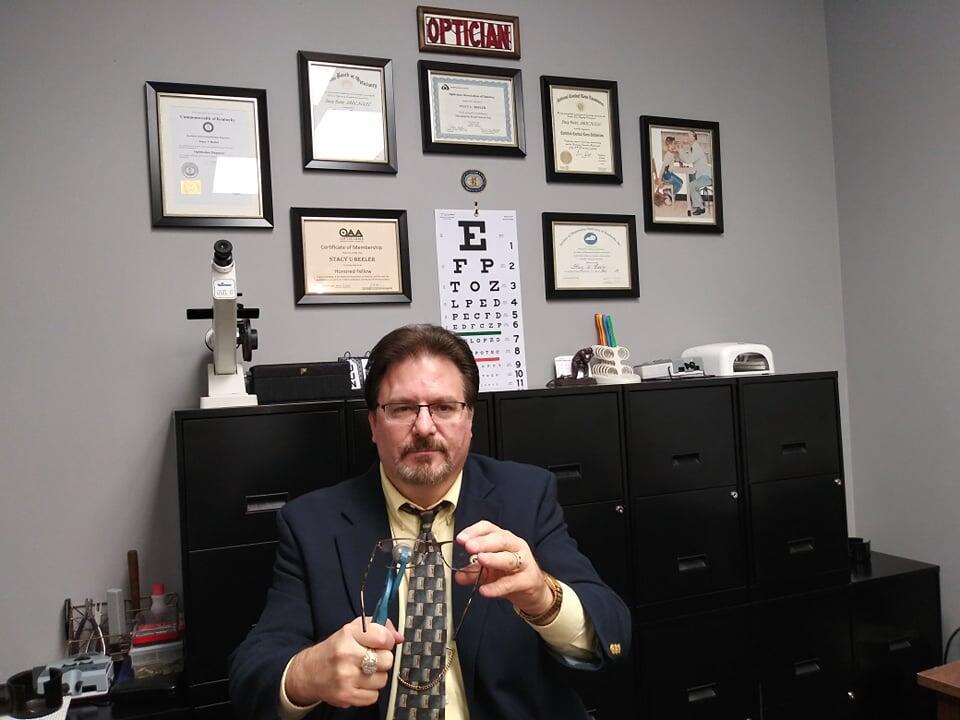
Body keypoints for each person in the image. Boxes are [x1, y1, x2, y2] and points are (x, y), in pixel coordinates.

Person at [229, 324, 632, 720]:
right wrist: (308, 673)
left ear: (469, 420)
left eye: (444, 407)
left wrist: (543, 598)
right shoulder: (312, 524)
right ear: (373, 425)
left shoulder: (525, 496)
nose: (424, 427)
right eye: (402, 408)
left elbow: (614, 632)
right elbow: (253, 669)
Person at [678, 131, 713, 216]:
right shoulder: (693, 147)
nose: (687, 137)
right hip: (701, 175)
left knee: (692, 185)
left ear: (694, 138)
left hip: (707, 176)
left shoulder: (697, 148)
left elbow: (689, 160)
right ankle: (699, 203)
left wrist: (680, 150)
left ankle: (701, 208)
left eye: (689, 136)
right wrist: (681, 149)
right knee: (691, 180)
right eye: (687, 135)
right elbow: (688, 157)